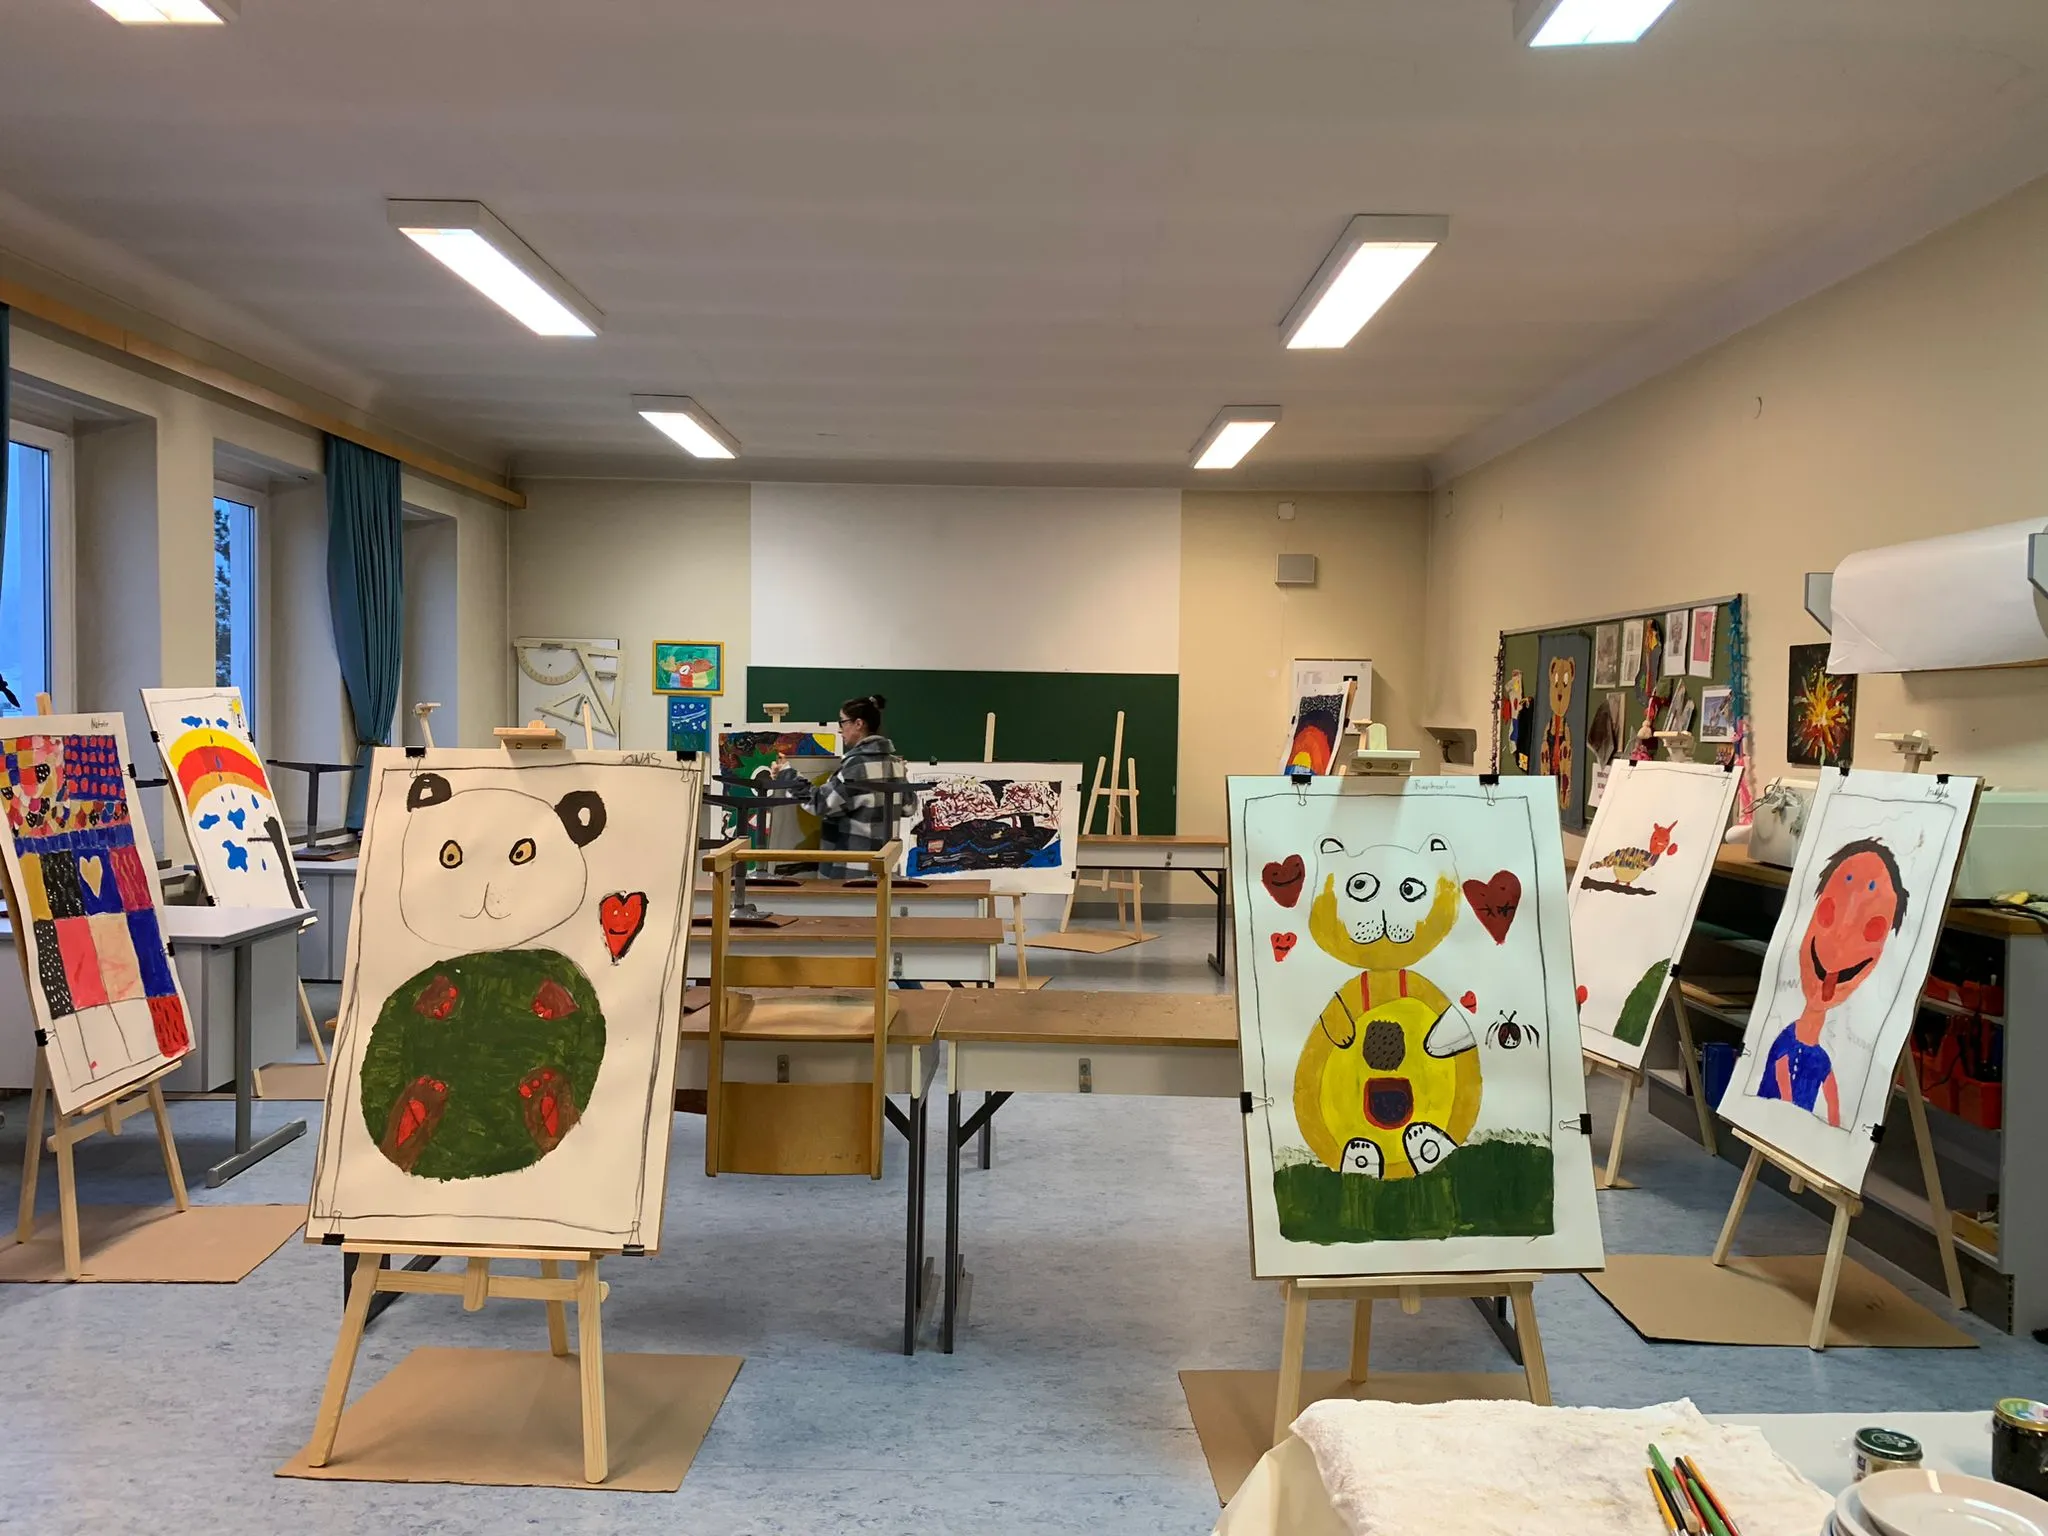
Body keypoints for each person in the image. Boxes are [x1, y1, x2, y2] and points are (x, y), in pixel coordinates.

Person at [1756, 837, 1908, 1127]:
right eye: (1828, 912)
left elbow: (1832, 1098)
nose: (1840, 939)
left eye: (1872, 928)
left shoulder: (1822, 1059)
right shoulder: (1785, 1041)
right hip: (1777, 1119)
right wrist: (1789, 1112)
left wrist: (1834, 1126)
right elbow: (1780, 1076)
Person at [774, 694, 912, 880]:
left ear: (859, 724)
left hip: (851, 873)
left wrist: (787, 774)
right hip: (884, 871)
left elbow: (820, 803)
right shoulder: (895, 764)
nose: (840, 729)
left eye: (842, 722)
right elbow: (909, 807)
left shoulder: (856, 766)